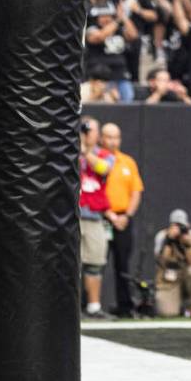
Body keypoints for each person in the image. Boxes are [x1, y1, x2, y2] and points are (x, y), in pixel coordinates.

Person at [100, 122, 145, 318]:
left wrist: (126, 216)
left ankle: (125, 306)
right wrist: (108, 213)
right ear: (101, 138)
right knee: (95, 262)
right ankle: (89, 305)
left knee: (123, 264)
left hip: (123, 219)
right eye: (109, 137)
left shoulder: (128, 162)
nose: (112, 141)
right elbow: (94, 189)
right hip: (101, 218)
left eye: (116, 137)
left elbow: (136, 192)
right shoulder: (97, 161)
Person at [79, 117, 116, 320]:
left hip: (94, 216)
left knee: (94, 262)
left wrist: (85, 151)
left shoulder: (104, 155)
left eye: (91, 130)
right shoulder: (69, 151)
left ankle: (93, 307)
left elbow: (104, 169)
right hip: (74, 216)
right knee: (70, 263)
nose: (87, 133)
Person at [153, 208, 191, 318]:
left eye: (181, 226)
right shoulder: (162, 236)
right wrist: (169, 241)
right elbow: (162, 262)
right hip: (169, 278)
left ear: (188, 225)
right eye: (175, 226)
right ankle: (179, 308)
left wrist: (187, 245)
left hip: (187, 274)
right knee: (166, 313)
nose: (178, 230)